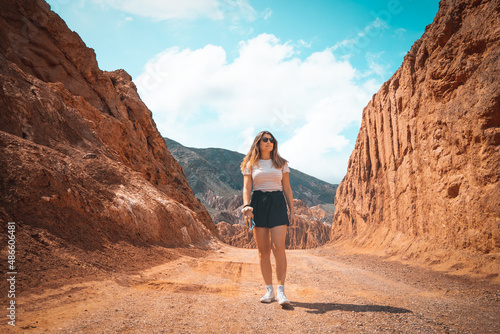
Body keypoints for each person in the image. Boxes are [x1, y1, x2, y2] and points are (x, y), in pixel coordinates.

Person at [240, 130, 295, 306]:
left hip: (278, 202)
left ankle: (281, 291)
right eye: (265, 139)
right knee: (263, 251)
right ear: (258, 143)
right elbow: (247, 188)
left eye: (271, 140)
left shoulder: (281, 163)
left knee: (278, 246)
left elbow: (287, 188)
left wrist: (292, 210)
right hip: (258, 203)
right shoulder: (251, 164)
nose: (269, 142)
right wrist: (247, 206)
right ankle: (269, 290)